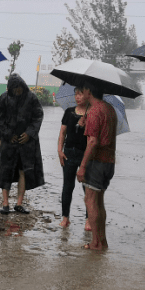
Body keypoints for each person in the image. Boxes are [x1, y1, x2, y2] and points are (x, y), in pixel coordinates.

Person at [0, 73, 44, 214]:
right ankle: (5, 204)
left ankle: (19, 203)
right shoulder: (4, 98)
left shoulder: (32, 98)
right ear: (10, 88)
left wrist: (29, 133)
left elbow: (38, 116)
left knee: (23, 171)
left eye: (19, 87)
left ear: (23, 86)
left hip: (25, 143)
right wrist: (8, 134)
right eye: (14, 88)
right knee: (6, 171)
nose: (17, 91)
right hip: (8, 142)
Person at [76, 88, 117, 250]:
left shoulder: (94, 111)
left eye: (81, 90)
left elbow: (93, 142)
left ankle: (95, 242)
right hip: (109, 161)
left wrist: (83, 166)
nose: (79, 93)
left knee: (90, 200)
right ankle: (102, 241)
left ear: (88, 91)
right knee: (99, 202)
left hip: (97, 162)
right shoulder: (109, 108)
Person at [57, 85, 90, 228]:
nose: (77, 97)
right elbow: (62, 133)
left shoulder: (92, 113)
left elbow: (93, 137)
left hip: (85, 154)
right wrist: (59, 150)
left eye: (80, 94)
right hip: (69, 152)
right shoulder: (69, 112)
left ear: (87, 95)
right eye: (76, 94)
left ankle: (88, 219)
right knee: (67, 186)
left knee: (87, 188)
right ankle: (65, 218)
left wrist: (86, 123)